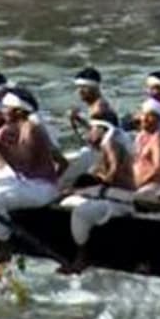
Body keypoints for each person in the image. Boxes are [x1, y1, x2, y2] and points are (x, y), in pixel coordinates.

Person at [0, 88, 62, 262]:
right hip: (26, 182)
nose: (3, 111)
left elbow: (23, 166)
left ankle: (5, 247)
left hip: (41, 186)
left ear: (19, 111)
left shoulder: (31, 129)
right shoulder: (18, 127)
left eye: (6, 108)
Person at [58, 110, 135, 273]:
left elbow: (113, 169)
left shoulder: (110, 144)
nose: (90, 132)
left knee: (80, 212)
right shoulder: (108, 142)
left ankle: (82, 258)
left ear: (102, 130)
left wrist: (96, 187)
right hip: (111, 192)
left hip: (121, 197)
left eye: (93, 129)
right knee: (69, 195)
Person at [133, 98, 160, 196]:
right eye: (143, 114)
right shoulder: (141, 136)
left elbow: (159, 169)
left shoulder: (158, 138)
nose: (145, 118)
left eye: (150, 115)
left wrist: (139, 184)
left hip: (152, 185)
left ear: (159, 120)